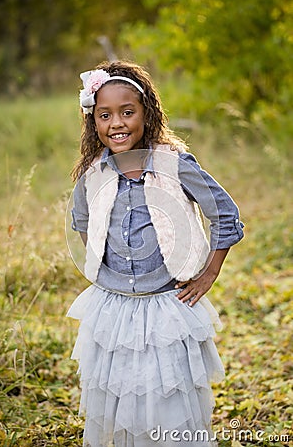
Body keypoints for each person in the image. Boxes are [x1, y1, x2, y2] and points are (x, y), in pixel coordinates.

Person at [67, 60, 244, 447]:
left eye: (127, 112)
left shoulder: (174, 164)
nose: (117, 123)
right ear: (92, 121)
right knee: (122, 392)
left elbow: (225, 215)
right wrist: (105, 268)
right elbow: (81, 222)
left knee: (166, 394)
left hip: (167, 304)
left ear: (147, 115)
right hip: (114, 307)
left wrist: (207, 274)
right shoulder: (93, 173)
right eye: (105, 115)